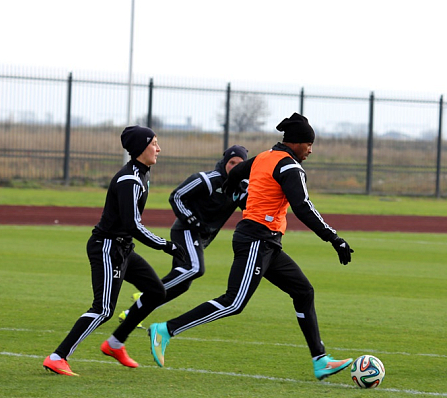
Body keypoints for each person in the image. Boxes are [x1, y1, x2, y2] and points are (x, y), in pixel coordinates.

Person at [148, 113, 355, 380]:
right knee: (233, 302)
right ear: (296, 142)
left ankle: (320, 360)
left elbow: (235, 173)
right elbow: (303, 207)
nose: (311, 150)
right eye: (309, 144)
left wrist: (233, 189)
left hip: (267, 242)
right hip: (257, 239)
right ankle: (165, 330)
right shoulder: (289, 167)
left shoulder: (265, 157)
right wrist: (334, 238)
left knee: (303, 291)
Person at [42, 125, 185, 376]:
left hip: (122, 248)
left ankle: (115, 343)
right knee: (103, 309)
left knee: (156, 292)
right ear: (141, 148)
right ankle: (57, 357)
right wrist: (167, 245)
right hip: (107, 248)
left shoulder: (142, 174)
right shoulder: (130, 180)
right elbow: (133, 225)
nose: (159, 149)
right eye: (154, 143)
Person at [111, 145, 249, 350]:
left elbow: (250, 206)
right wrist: (192, 220)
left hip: (201, 237)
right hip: (185, 230)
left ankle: (134, 311)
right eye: (232, 162)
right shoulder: (207, 180)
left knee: (182, 284)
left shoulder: (240, 186)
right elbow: (176, 196)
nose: (235, 167)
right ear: (224, 162)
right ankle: (148, 294)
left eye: (240, 164)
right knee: (195, 268)